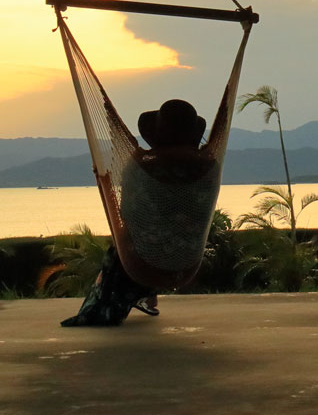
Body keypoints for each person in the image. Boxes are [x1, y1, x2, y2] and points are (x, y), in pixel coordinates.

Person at [61, 99, 210, 327]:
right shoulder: (208, 167)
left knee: (124, 248)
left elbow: (127, 214)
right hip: (188, 252)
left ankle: (111, 306)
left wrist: (106, 184)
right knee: (145, 242)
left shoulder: (141, 167)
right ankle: (147, 293)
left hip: (149, 255)